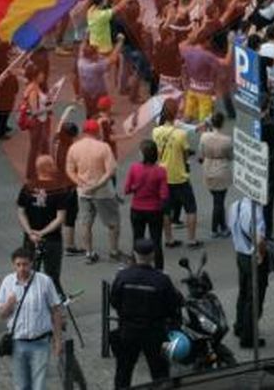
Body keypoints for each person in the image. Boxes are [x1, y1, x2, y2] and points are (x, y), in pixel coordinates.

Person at [109, 238, 183, 388]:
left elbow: (114, 301)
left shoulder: (123, 276)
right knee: (159, 372)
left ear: (134, 254)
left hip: (128, 330)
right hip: (154, 332)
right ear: (153, 255)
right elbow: (173, 304)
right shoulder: (161, 279)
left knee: (123, 371)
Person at [0, 247, 65, 390]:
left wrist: (58, 340)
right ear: (13, 265)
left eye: (25, 264)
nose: (22, 268)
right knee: (21, 385)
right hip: (18, 342)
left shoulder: (44, 281)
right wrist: (9, 304)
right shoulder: (8, 282)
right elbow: (2, 315)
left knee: (38, 385)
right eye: (18, 265)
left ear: (31, 264)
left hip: (40, 342)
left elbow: (56, 311)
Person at [66, 120, 121, 264]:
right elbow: (110, 171)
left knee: (86, 223)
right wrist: (97, 185)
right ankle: (114, 251)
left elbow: (70, 170)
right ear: (97, 131)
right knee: (113, 222)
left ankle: (89, 252)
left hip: (83, 192)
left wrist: (80, 183)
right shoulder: (103, 147)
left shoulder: (74, 148)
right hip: (103, 192)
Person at [16, 155, 71, 296]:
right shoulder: (59, 189)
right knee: (52, 276)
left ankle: (27, 300)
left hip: (30, 239)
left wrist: (30, 232)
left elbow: (21, 212)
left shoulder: (28, 187)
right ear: (49, 168)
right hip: (52, 239)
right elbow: (60, 218)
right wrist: (42, 233)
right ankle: (57, 302)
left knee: (28, 274)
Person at [153, 100, 199, 248]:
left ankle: (169, 239)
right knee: (191, 208)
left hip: (163, 176)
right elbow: (185, 154)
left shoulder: (156, 132)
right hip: (179, 176)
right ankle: (191, 239)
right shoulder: (180, 134)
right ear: (175, 115)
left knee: (166, 210)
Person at [227, 194, 269, 350]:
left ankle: (240, 325)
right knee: (254, 297)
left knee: (243, 292)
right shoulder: (256, 212)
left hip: (240, 253)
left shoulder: (235, 205)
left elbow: (230, 226)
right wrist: (262, 255)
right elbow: (259, 239)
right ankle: (248, 336)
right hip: (253, 256)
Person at [123, 139, 168, 270]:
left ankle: (136, 268)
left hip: (137, 208)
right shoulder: (161, 171)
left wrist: (135, 187)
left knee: (137, 239)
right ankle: (159, 269)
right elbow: (164, 194)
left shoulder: (134, 168)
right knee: (156, 241)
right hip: (154, 209)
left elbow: (127, 190)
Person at [198, 112, 233, 238]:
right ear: (222, 123)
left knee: (218, 199)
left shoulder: (204, 137)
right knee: (219, 201)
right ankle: (216, 228)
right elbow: (230, 156)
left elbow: (201, 153)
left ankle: (222, 226)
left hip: (208, 168)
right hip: (222, 169)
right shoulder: (227, 140)